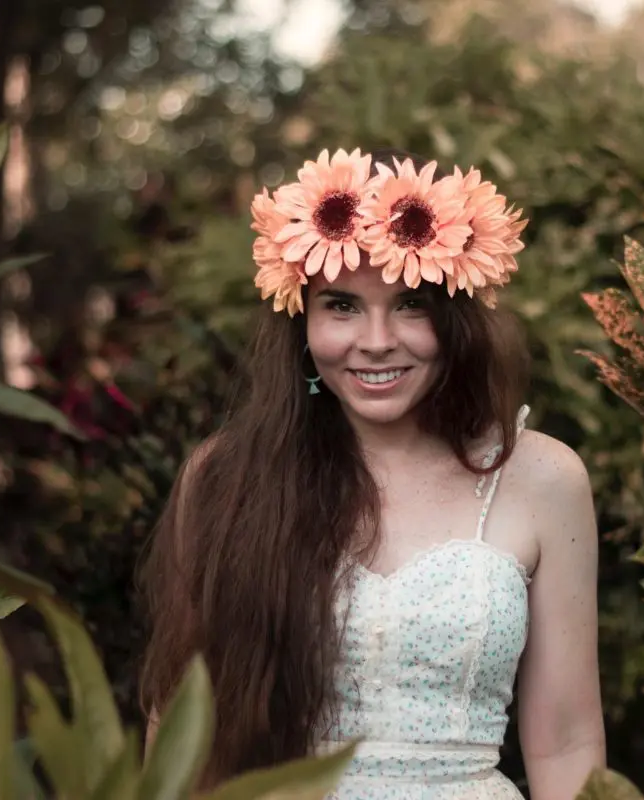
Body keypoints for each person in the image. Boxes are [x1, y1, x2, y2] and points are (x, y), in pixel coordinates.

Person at [139, 148, 605, 799]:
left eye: (412, 304)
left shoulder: (542, 477)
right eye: (343, 306)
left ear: (457, 318)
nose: (378, 339)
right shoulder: (226, 478)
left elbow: (567, 742)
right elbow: (179, 727)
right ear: (301, 320)